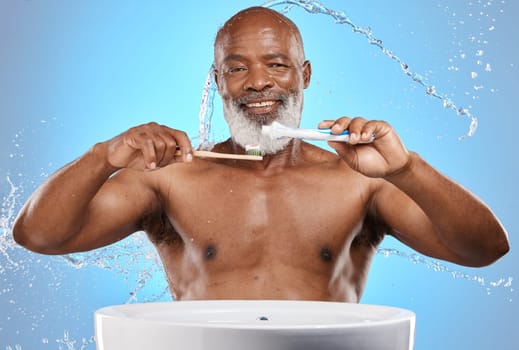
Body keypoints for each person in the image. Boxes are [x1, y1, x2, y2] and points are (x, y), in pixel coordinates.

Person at [13, 6, 509, 302]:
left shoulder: (360, 180)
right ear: (217, 82)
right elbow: (39, 235)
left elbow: (485, 249)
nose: (258, 83)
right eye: (236, 69)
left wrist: (406, 169)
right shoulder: (170, 178)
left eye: (277, 64)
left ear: (305, 75)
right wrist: (104, 156)